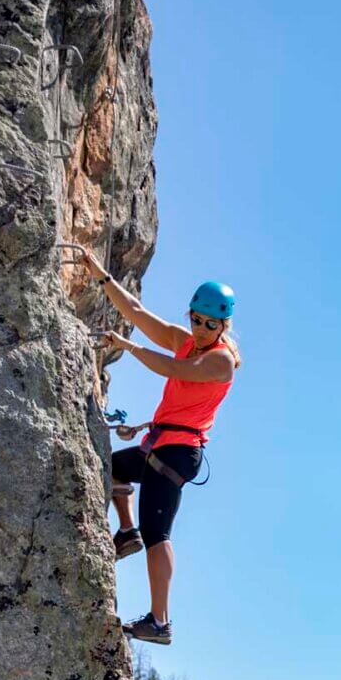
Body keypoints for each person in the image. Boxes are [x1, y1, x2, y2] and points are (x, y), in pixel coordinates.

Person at [68, 246, 239, 645]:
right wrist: (102, 276)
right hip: (161, 441)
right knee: (108, 468)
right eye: (195, 319)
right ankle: (126, 532)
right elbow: (139, 315)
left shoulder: (221, 361)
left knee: (158, 531)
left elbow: (173, 369)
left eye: (209, 324)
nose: (199, 328)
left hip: (179, 453)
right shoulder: (187, 342)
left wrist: (126, 347)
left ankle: (160, 622)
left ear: (223, 326)